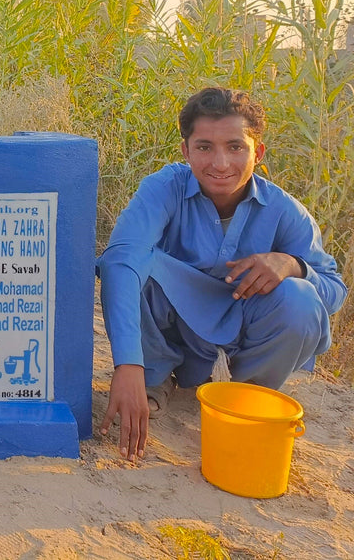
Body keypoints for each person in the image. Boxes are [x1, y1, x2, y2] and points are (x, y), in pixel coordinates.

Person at [98, 87, 347, 461]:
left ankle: (245, 398)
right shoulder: (163, 189)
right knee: (137, 264)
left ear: (257, 153)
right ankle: (153, 378)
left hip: (243, 332)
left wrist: (291, 265)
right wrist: (127, 364)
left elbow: (333, 290)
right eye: (204, 147)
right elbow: (120, 260)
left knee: (301, 298)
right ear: (185, 151)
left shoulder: (284, 211)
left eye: (235, 147)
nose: (220, 163)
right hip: (176, 330)